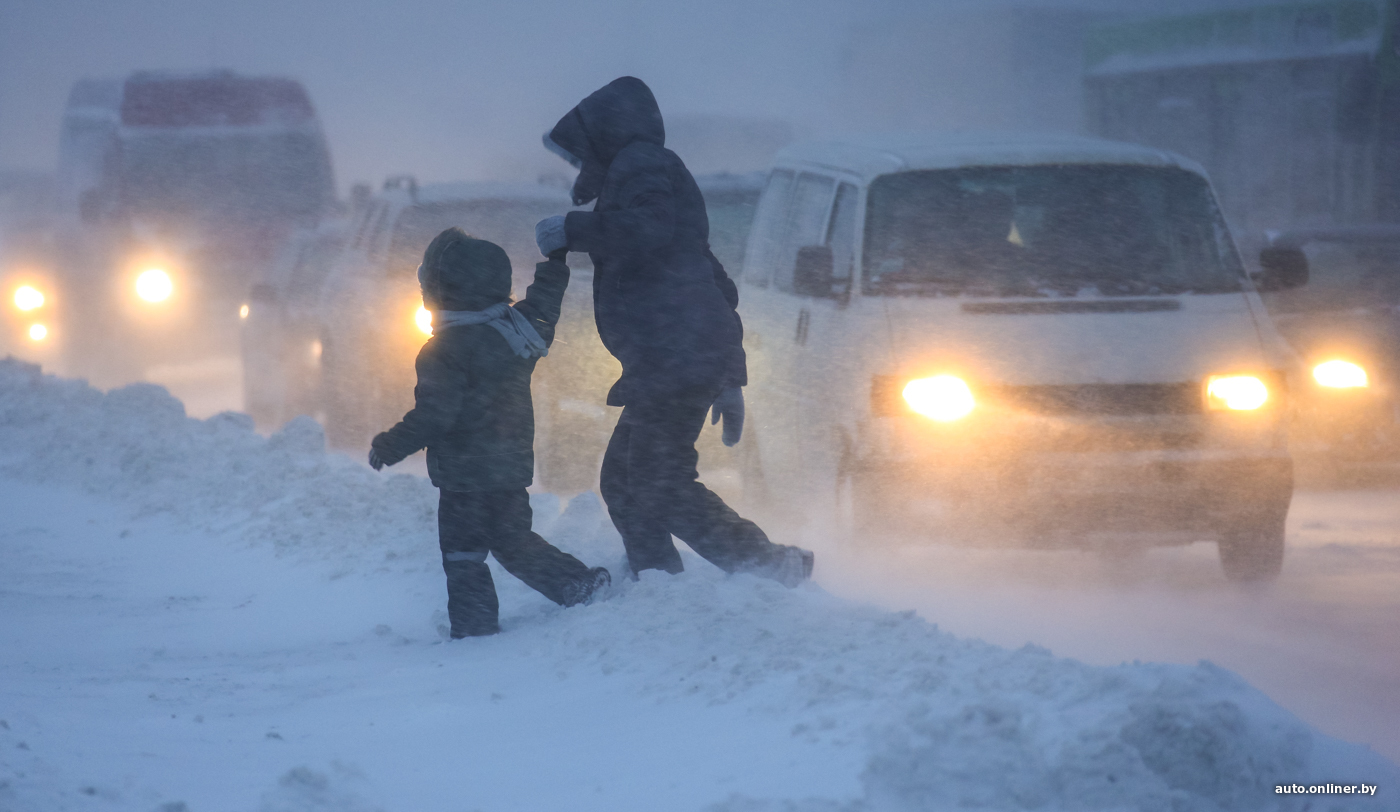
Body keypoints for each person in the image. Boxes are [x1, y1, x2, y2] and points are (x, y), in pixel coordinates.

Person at [534, 76, 813, 586]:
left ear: (603, 135)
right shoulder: (636, 170)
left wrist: (573, 231)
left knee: (657, 482)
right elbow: (714, 281)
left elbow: (649, 230)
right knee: (624, 482)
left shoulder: (640, 165)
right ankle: (659, 583)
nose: (577, 166)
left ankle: (771, 568)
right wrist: (729, 372)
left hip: (674, 357)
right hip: (671, 357)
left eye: (579, 153)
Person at [369, 228, 610, 638]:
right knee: (513, 540)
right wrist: (554, 264)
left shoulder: (442, 350)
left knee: (464, 554)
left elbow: (436, 415)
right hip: (509, 465)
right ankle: (575, 583)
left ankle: (474, 625)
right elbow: (545, 308)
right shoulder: (515, 334)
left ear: (440, 291)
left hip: (464, 475)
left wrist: (390, 444)